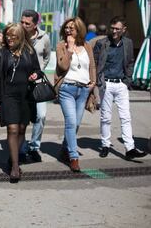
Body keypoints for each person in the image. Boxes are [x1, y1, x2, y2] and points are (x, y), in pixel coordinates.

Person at [0, 23, 42, 183]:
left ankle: (13, 158)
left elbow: (38, 70)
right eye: (8, 35)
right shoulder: (1, 53)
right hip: (8, 96)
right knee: (12, 129)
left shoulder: (29, 52)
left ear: (21, 37)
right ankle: (15, 166)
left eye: (14, 36)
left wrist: (34, 75)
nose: (10, 39)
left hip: (26, 95)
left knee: (21, 129)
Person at [94, 16, 147, 160]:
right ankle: (105, 144)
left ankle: (130, 148)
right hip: (106, 84)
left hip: (121, 85)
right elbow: (95, 63)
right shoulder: (102, 43)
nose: (114, 31)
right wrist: (99, 81)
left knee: (126, 117)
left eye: (118, 29)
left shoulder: (128, 43)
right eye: (112, 28)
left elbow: (130, 62)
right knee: (106, 117)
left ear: (124, 29)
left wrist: (127, 81)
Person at [55, 17, 96, 172]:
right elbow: (63, 65)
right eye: (66, 28)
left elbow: (92, 65)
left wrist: (93, 82)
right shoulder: (61, 45)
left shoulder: (87, 45)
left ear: (79, 29)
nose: (68, 30)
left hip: (84, 89)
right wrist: (70, 49)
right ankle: (73, 157)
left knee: (76, 124)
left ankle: (65, 149)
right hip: (67, 88)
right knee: (71, 123)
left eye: (71, 28)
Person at [19, 9, 51, 162]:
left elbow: (46, 57)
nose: (23, 25)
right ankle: (21, 147)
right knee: (22, 117)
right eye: (22, 22)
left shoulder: (44, 37)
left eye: (27, 23)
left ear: (35, 24)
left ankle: (34, 147)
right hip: (20, 83)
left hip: (37, 83)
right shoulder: (17, 35)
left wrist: (39, 71)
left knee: (41, 115)